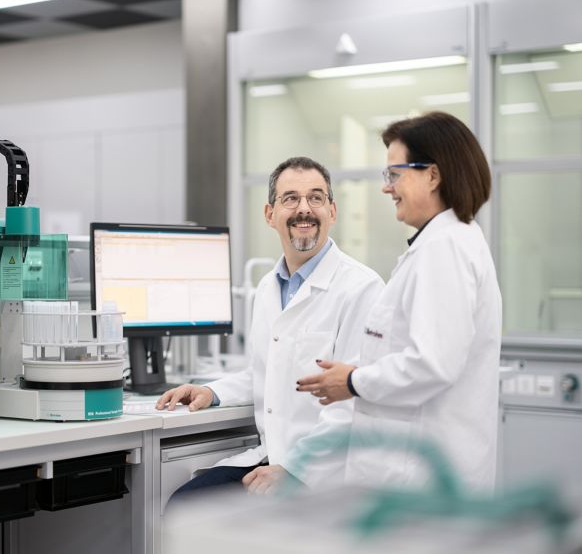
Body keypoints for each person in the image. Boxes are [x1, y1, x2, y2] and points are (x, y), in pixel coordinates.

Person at [296, 112, 502, 491]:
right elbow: (416, 349)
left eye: (394, 175)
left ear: (433, 175)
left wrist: (354, 380)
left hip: (420, 477)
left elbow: (432, 365)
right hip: (418, 468)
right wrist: (358, 369)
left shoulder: (444, 249)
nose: (386, 188)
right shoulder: (443, 244)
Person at [157, 156, 383, 497]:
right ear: (269, 214)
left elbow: (353, 400)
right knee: (184, 505)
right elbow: (266, 371)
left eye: (316, 198)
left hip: (322, 473)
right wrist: (213, 392)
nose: (303, 209)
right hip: (273, 457)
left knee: (198, 514)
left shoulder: (362, 288)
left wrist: (296, 469)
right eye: (290, 198)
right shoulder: (268, 288)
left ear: (332, 212)